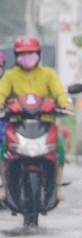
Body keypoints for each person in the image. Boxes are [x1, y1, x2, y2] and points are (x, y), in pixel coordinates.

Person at [0, 36, 73, 201]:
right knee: (4, 150)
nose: (27, 57)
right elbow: (2, 94)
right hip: (18, 123)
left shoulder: (48, 74)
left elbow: (59, 92)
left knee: (59, 149)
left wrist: (64, 104)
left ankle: (57, 186)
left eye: (31, 53)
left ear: (39, 54)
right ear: (16, 56)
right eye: (22, 54)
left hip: (45, 123)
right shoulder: (10, 76)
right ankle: (5, 187)